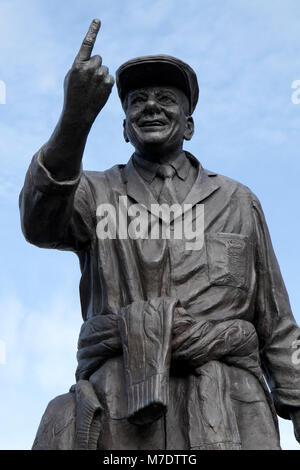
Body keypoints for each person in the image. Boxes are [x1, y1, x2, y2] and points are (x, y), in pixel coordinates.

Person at [20, 19, 300, 450]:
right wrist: (75, 118)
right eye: (137, 101)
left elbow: (277, 324)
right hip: (121, 408)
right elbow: (38, 222)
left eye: (166, 99)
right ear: (124, 127)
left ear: (189, 124)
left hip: (232, 407)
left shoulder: (238, 201)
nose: (151, 106)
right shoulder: (95, 193)